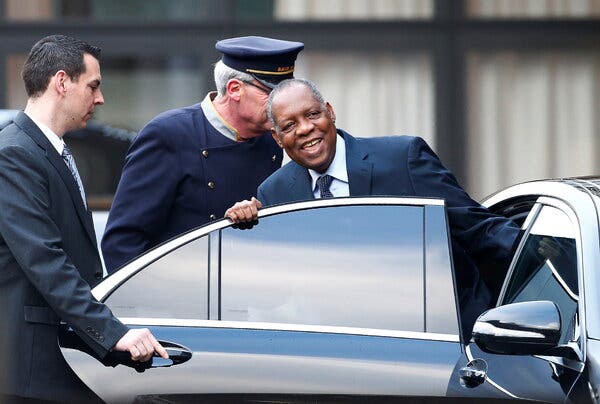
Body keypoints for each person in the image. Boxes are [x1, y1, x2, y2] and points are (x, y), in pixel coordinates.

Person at [225, 78, 523, 338]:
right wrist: (247, 231)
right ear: (277, 138)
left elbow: (479, 230)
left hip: (449, 338)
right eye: (289, 125)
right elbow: (274, 295)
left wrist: (548, 256)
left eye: (313, 114)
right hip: (361, 353)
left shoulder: (402, 158)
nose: (304, 129)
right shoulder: (275, 192)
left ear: (330, 112)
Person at [0, 35, 167, 403]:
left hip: (59, 364)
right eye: (93, 86)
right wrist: (113, 332)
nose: (100, 98)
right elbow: (45, 260)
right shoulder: (14, 153)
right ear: (62, 82)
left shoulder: (48, 149)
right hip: (31, 374)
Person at [101, 36, 304, 274]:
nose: (284, 103)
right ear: (235, 89)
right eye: (272, 92)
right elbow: (122, 243)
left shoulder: (271, 139)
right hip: (181, 301)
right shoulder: (168, 134)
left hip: (244, 294)